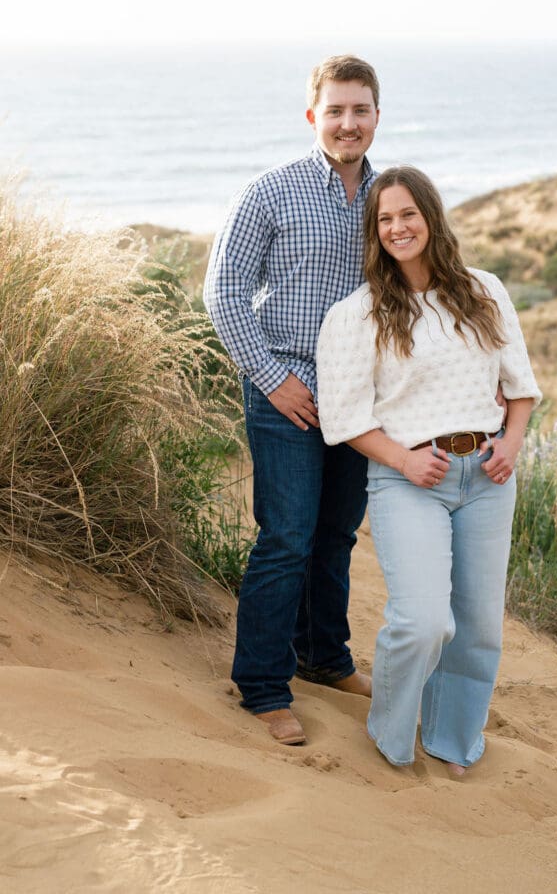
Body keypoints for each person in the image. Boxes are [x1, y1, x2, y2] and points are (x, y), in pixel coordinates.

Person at [316, 166, 542, 773]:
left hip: (489, 477)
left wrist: (512, 443)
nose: (397, 228)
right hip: (409, 480)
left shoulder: (484, 290)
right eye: (384, 219)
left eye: (408, 214)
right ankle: (392, 739)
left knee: (475, 627)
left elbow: (519, 388)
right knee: (423, 620)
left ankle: (452, 741)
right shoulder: (357, 315)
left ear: (431, 217)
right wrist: (403, 460)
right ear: (374, 232)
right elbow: (343, 417)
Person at [203, 55, 380, 746]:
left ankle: (324, 658)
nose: (346, 122)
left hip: (359, 397)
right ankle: (263, 686)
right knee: (286, 537)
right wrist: (272, 378)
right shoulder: (269, 192)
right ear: (314, 117)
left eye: (359, 110)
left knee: (335, 535)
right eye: (334, 110)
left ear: (375, 116)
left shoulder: (389, 197)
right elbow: (222, 293)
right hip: (285, 390)